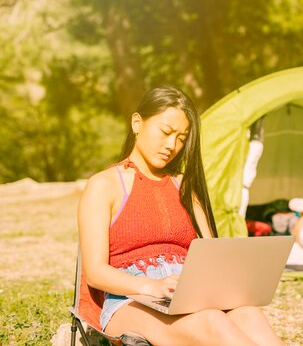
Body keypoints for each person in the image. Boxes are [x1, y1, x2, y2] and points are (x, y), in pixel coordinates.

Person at [77, 85, 283, 345]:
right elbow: (95, 272)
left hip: (192, 295)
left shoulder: (184, 185)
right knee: (212, 322)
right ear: (137, 123)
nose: (171, 145)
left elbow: (212, 253)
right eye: (165, 132)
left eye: (181, 138)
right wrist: (151, 287)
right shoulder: (104, 185)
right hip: (131, 299)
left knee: (250, 315)